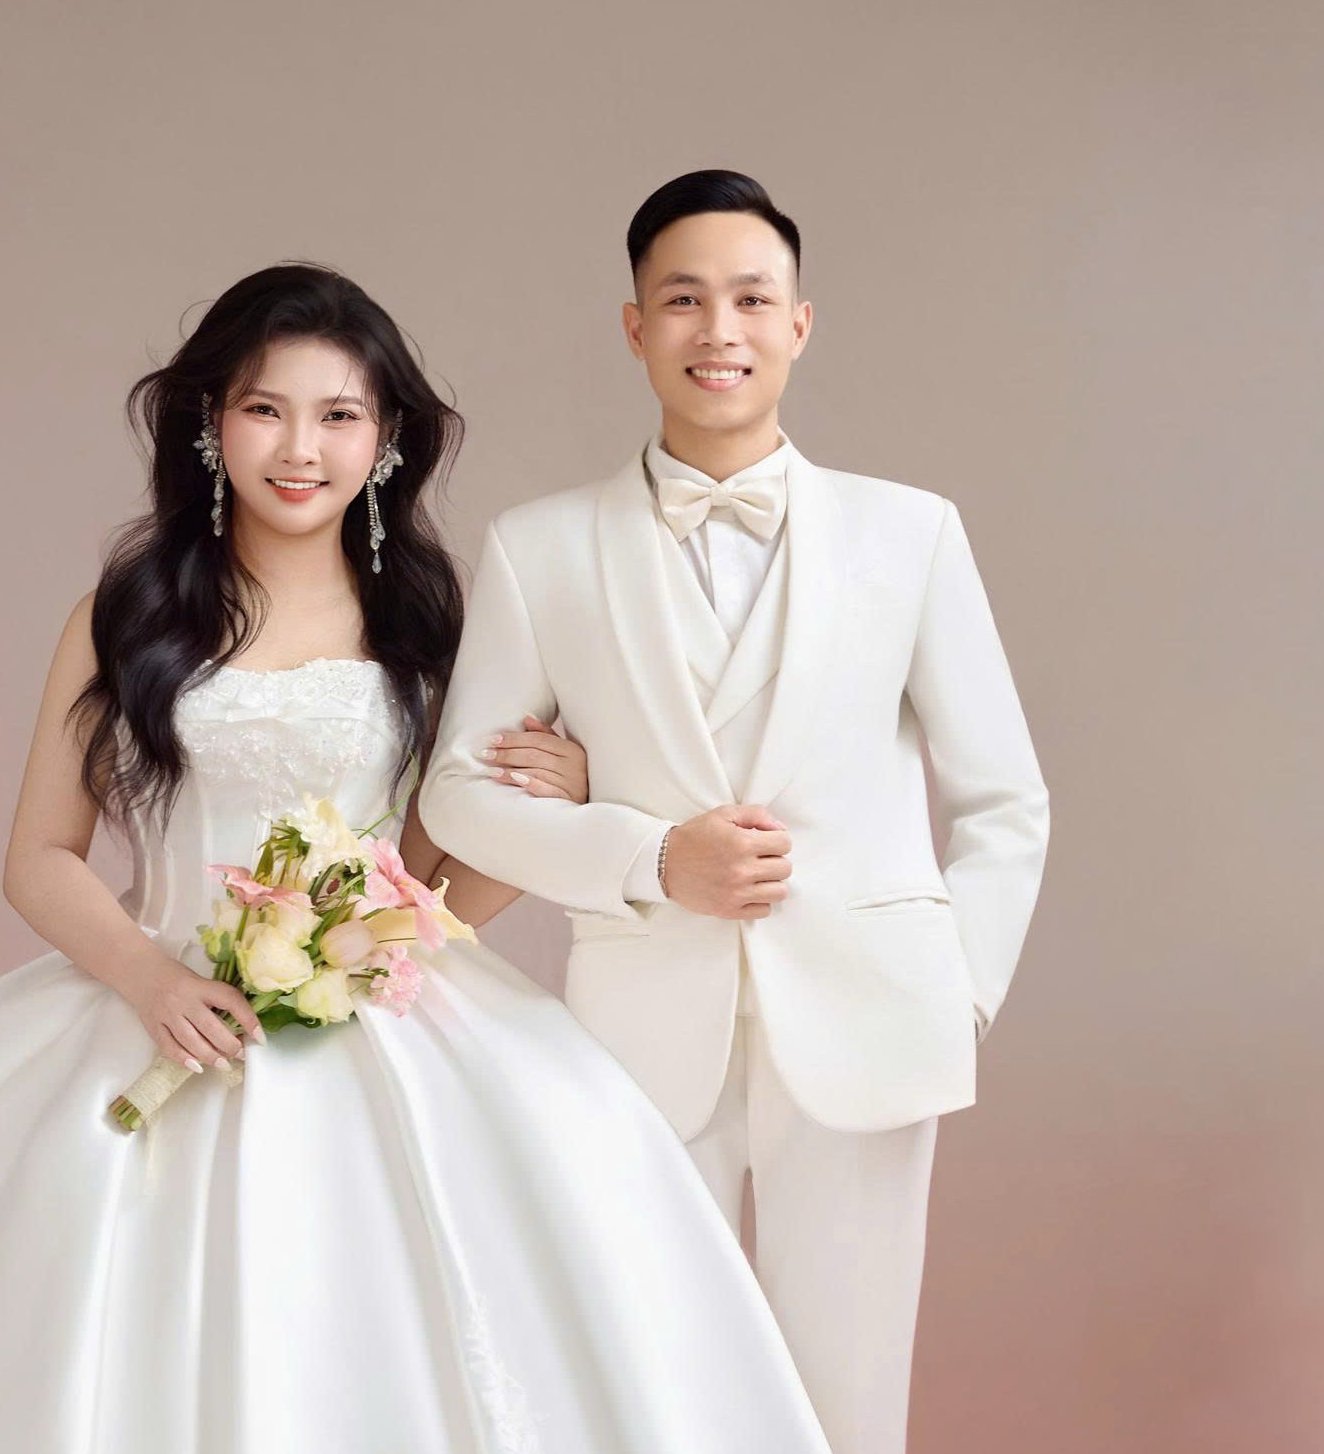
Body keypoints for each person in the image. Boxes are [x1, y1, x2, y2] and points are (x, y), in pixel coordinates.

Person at [0, 262, 832, 1453]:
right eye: (265, 409)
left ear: (386, 439)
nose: (302, 448)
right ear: (210, 424)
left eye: (339, 415)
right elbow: (39, 857)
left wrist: (553, 804)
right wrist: (154, 980)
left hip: (394, 1022)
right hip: (154, 1001)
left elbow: (430, 885)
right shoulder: (127, 612)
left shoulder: (430, 621)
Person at [418, 171, 1053, 1453]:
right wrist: (651, 855)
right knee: (658, 1395)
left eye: (753, 299)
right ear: (634, 326)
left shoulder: (911, 533)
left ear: (799, 324)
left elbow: (1005, 797)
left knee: (849, 1405)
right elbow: (456, 796)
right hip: (641, 1031)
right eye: (684, 300)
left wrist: (959, 989)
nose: (721, 330)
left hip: (872, 1017)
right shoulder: (544, 546)